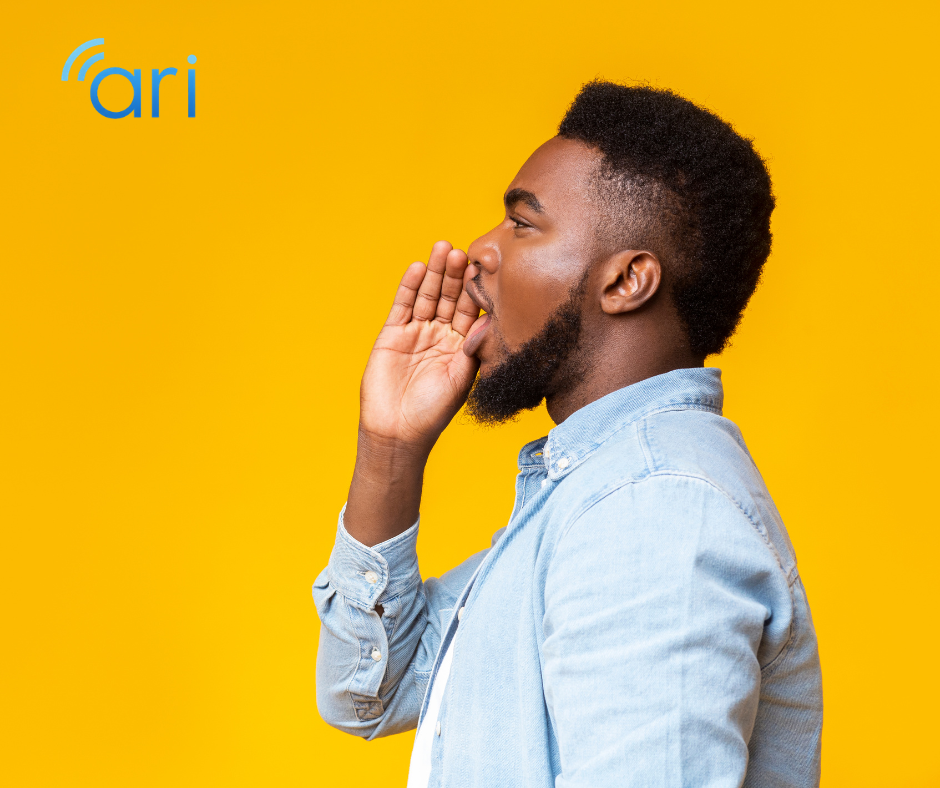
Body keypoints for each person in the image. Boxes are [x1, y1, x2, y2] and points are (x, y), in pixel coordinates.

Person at [312, 80, 823, 788]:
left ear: (627, 282)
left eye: (523, 225)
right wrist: (391, 450)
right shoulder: (593, 495)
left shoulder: (653, 511)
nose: (480, 252)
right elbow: (369, 692)